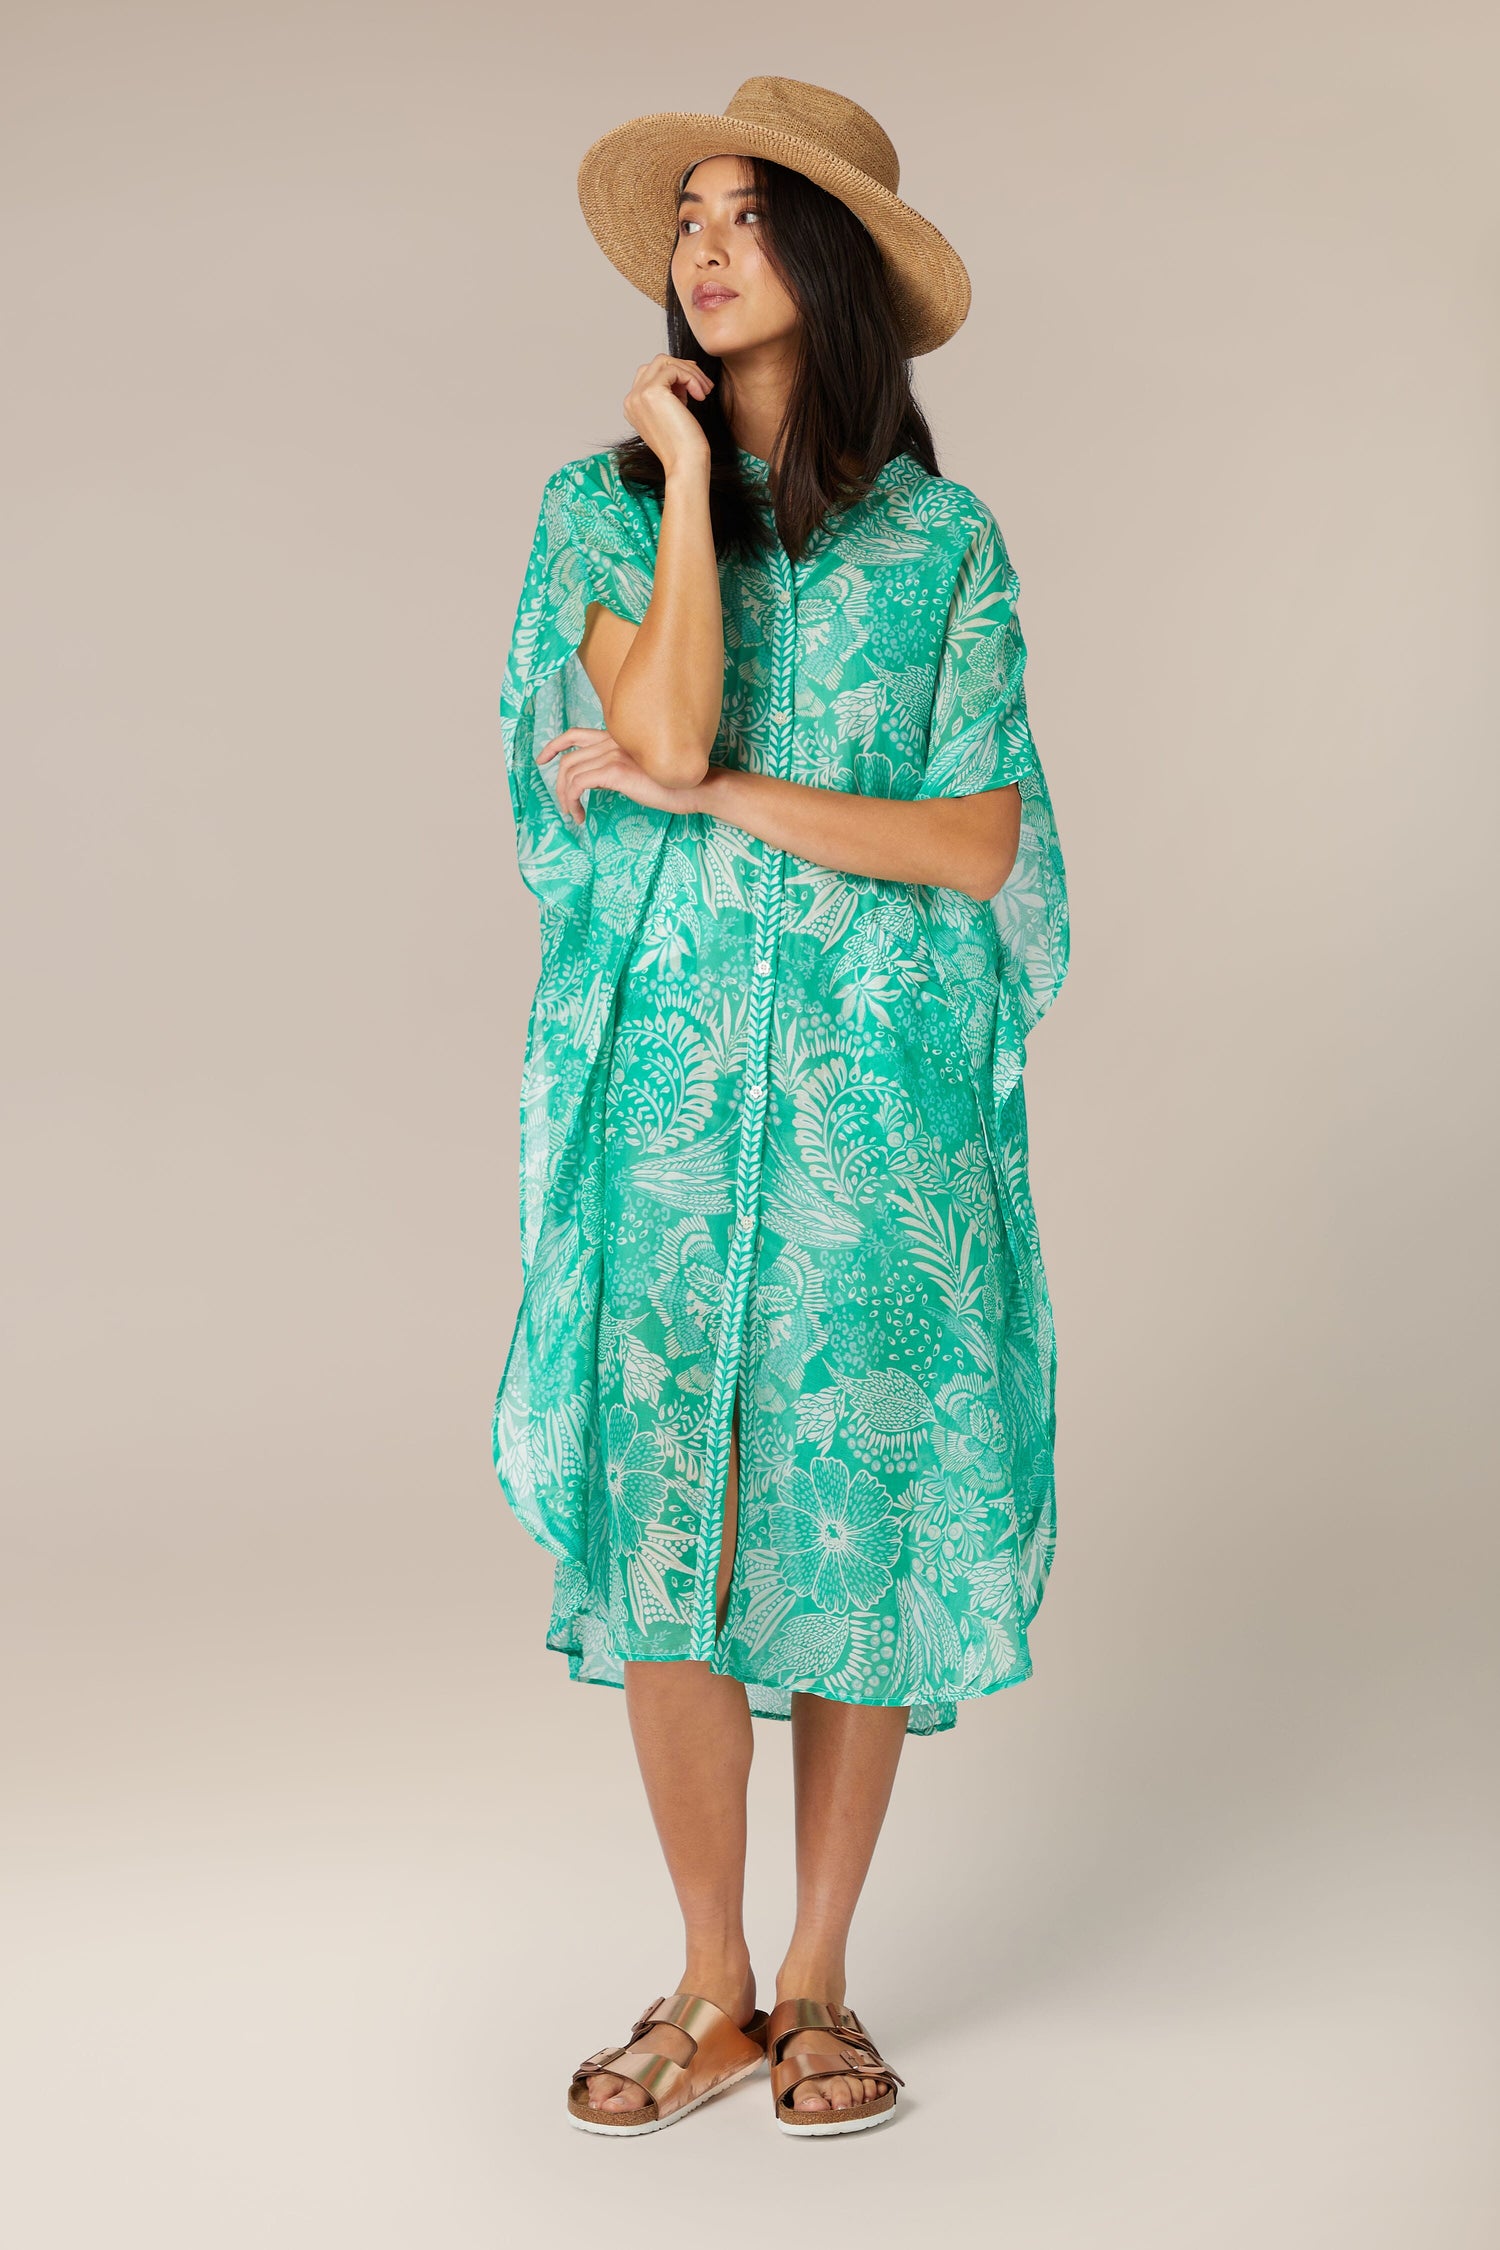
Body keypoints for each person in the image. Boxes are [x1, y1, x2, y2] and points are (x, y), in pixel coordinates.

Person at [493, 76, 1069, 2138]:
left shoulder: (943, 548)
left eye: (749, 217)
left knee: (854, 1516)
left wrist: (728, 798)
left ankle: (821, 1978)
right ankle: (711, 1982)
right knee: (672, 1512)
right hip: (664, 1093)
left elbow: (981, 838)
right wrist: (671, 467)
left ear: (829, 269)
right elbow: (643, 710)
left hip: (872, 1106)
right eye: (692, 218)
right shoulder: (593, 505)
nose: (704, 246)